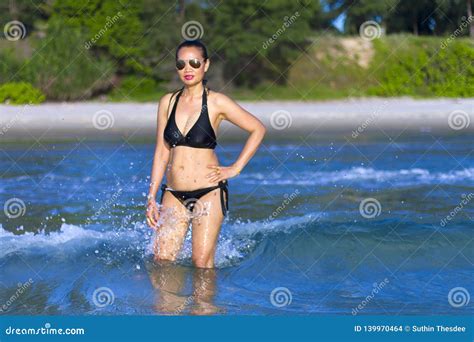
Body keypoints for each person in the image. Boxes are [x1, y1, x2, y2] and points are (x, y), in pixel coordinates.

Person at [146, 39, 266, 268]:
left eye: (194, 62)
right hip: (174, 193)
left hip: (209, 191)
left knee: (201, 262)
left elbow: (257, 128)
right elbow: (162, 151)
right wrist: (151, 197)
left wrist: (236, 167)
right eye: (181, 64)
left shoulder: (216, 102)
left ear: (206, 64)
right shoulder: (167, 102)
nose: (187, 69)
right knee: (162, 261)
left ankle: (205, 305)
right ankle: (166, 305)